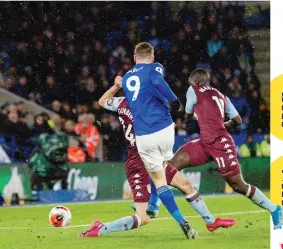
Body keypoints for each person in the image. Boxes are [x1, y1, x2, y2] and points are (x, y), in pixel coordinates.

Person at [80, 83, 235, 238]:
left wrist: (115, 86)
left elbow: (102, 102)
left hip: (150, 154)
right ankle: (100, 228)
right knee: (144, 218)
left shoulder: (121, 102)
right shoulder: (143, 107)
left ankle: (210, 221)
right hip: (138, 161)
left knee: (184, 184)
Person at [161, 68, 283, 230]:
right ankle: (153, 204)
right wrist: (219, 125)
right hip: (206, 142)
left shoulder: (193, 89)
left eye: (191, 84)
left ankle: (275, 209)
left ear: (196, 83)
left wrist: (193, 117)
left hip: (220, 145)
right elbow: (238, 120)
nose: (190, 87)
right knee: (170, 166)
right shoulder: (222, 96)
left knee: (238, 185)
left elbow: (188, 114)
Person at [123, 42, 197, 239]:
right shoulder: (155, 68)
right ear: (152, 57)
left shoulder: (126, 78)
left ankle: (182, 221)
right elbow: (156, 81)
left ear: (134, 57)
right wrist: (174, 100)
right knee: (166, 167)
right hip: (164, 129)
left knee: (158, 178)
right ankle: (156, 203)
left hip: (144, 134)